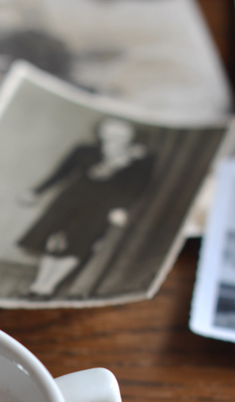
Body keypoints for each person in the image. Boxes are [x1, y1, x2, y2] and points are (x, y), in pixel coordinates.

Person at [18, 117, 154, 296]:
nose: (115, 134)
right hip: (70, 201)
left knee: (79, 246)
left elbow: (137, 187)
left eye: (121, 131)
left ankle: (48, 287)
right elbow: (61, 172)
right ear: (100, 132)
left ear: (130, 134)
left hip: (102, 207)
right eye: (110, 130)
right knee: (55, 242)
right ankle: (38, 286)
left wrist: (121, 208)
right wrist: (37, 191)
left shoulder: (141, 158)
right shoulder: (84, 150)